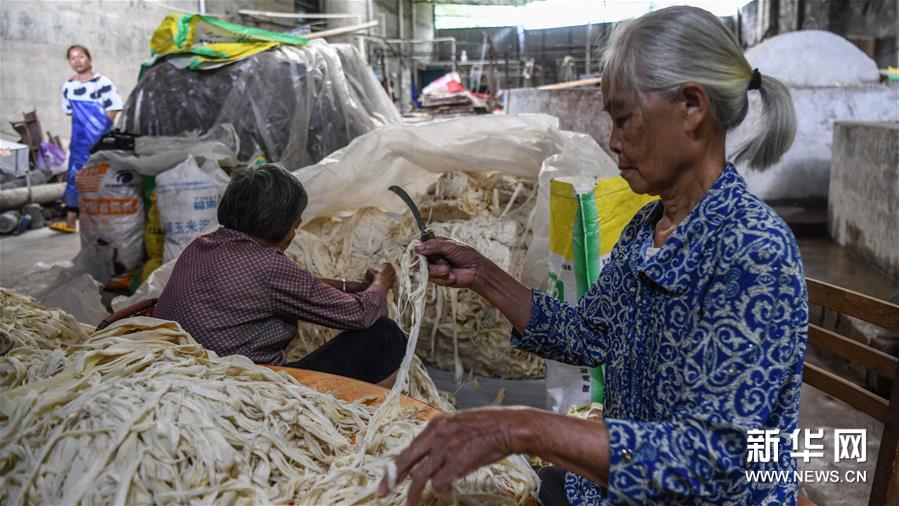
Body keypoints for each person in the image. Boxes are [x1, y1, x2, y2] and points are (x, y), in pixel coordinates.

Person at [381, 6, 806, 505]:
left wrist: (524, 428)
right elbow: (589, 335)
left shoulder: (751, 250)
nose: (613, 141)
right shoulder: (646, 230)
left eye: (625, 119)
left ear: (692, 107)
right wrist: (484, 276)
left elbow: (710, 461)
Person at [155, 164, 407, 387]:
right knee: (384, 334)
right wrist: (381, 282)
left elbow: (290, 285)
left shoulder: (201, 246)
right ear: (280, 226)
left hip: (188, 372)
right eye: (295, 226)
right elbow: (360, 314)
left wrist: (349, 286)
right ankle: (373, 418)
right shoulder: (268, 266)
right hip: (248, 385)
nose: (294, 234)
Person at [50, 44, 123, 233]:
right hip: (80, 141)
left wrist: (98, 131)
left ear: (88, 58)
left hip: (102, 139)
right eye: (72, 58)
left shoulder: (102, 82)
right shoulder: (69, 86)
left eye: (80, 57)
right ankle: (70, 221)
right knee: (75, 178)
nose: (77, 61)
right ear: (69, 62)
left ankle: (108, 218)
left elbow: (113, 108)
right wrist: (85, 134)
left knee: (104, 176)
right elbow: (71, 113)